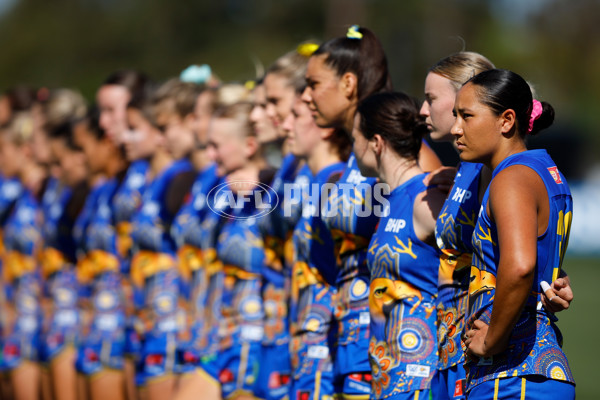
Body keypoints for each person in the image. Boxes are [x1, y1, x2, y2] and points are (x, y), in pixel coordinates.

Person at [419, 52, 574, 400]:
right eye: (456, 115)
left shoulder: (512, 177)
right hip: (526, 371)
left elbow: (519, 267)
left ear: (506, 120)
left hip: (515, 374)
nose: (457, 127)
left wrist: (491, 340)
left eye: (467, 116)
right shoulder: (543, 169)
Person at [301, 25, 441, 399]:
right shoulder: (354, 158)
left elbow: (436, 224)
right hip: (354, 341)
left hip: (394, 347)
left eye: (313, 84)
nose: (305, 96)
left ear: (348, 83)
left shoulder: (402, 155)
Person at [353, 92, 446, 400]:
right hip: (388, 377)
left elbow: (482, 248)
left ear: (376, 143)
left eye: (355, 137)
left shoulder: (425, 197)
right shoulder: (389, 200)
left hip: (420, 377)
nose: (352, 148)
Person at [125, 84, 194, 400]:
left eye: (133, 128)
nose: (125, 137)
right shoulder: (152, 180)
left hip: (176, 317)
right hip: (148, 313)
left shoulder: (182, 178)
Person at [72, 106, 129, 400]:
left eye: (83, 148)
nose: (81, 157)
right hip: (93, 322)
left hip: (122, 324)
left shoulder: (130, 187)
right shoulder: (100, 190)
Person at [0, 112, 46, 400]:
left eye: (3, 150)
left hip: (42, 316)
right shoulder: (14, 198)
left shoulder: (44, 194)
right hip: (16, 315)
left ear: (24, 150)